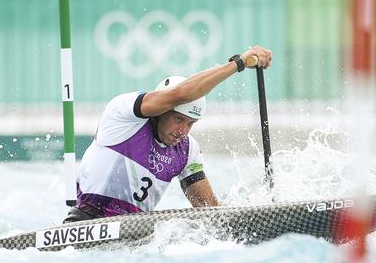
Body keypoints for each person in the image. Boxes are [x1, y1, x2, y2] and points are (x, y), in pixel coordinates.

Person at [64, 46, 273, 223]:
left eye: (191, 124)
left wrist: (255, 217)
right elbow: (180, 95)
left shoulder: (187, 150)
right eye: (178, 119)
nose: (182, 131)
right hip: (86, 222)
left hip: (133, 236)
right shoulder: (124, 116)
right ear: (161, 110)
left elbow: (208, 210)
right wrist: (240, 62)